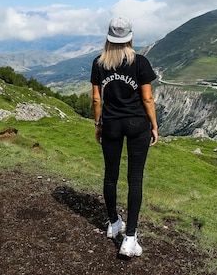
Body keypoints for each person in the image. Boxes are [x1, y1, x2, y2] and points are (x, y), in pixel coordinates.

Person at [90, 16, 158, 258]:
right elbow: (147, 98)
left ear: (108, 38)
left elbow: (97, 99)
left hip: (111, 124)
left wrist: (98, 124)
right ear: (130, 37)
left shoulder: (99, 63)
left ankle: (113, 222)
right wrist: (154, 125)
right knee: (135, 179)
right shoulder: (140, 62)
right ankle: (130, 237)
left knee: (111, 175)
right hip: (137, 123)